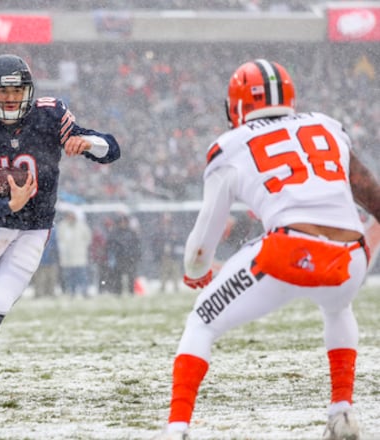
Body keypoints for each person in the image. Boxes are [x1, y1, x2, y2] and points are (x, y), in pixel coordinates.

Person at [153, 59, 380, 440]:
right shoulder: (326, 125)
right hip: (351, 257)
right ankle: (342, 411)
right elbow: (369, 191)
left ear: (237, 104)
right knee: (338, 306)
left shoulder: (230, 146)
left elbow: (203, 239)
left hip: (289, 251)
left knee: (201, 321)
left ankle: (176, 429)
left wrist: (197, 272)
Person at [0, 54, 120, 400]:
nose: (11, 98)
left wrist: (88, 143)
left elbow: (112, 150)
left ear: (29, 91)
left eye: (17, 90)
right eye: (3, 90)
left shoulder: (49, 115)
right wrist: (7, 206)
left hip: (33, 228)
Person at [55, 210, 92, 297]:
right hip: (67, 258)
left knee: (81, 276)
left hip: (79, 257)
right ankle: (71, 292)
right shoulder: (62, 226)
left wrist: (82, 247)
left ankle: (84, 292)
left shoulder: (82, 226)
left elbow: (88, 238)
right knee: (69, 277)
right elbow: (59, 239)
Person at [106, 214, 141, 295]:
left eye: (124, 222)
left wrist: (136, 256)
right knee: (118, 278)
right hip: (119, 258)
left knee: (131, 278)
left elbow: (136, 245)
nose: (123, 224)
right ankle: (118, 293)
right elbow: (110, 245)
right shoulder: (114, 233)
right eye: (121, 222)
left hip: (130, 259)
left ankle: (131, 292)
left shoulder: (131, 233)